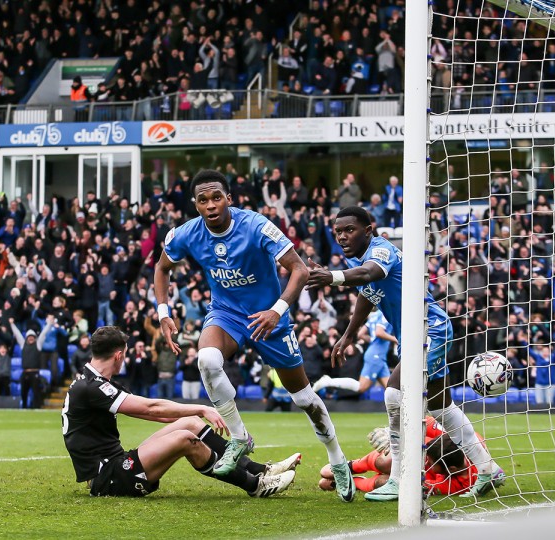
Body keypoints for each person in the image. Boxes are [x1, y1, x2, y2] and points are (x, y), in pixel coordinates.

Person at [154, 169, 356, 502]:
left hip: (270, 318)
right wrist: (163, 313)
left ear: (228, 199)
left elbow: (300, 269)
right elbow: (162, 268)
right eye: (203, 200)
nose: (210, 205)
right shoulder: (185, 234)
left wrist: (277, 310)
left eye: (216, 197)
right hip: (226, 315)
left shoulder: (256, 225)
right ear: (195, 204)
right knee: (206, 358)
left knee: (304, 399)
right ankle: (239, 437)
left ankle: (337, 459)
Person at [307, 206, 502, 500]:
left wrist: (333, 277)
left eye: (350, 230)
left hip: (430, 331)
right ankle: (488, 468)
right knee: (441, 408)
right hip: (415, 333)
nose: (343, 236)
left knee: (393, 394)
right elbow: (366, 293)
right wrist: (348, 335)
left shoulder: (380, 250)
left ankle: (398, 477)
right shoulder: (356, 258)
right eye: (338, 232)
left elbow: (369, 274)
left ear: (368, 230)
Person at [62, 326, 300, 498]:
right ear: (119, 354)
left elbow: (155, 413)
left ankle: (260, 469)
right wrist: (202, 407)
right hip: (109, 477)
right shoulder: (93, 386)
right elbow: (151, 409)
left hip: (117, 463)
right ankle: (255, 485)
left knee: (191, 424)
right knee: (186, 440)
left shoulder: (93, 381)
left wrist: (195, 414)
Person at [318, 417, 485, 496]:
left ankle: (351, 482)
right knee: (387, 461)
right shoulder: (467, 437)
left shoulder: (463, 483)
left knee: (390, 483)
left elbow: (420, 486)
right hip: (416, 448)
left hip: (422, 474)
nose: (427, 461)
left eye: (432, 462)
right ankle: (350, 466)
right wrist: (392, 434)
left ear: (452, 469)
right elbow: (422, 421)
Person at [312, 309, 394, 396]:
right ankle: (329, 381)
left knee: (392, 389)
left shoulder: (376, 315)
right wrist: (396, 340)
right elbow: (379, 332)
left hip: (376, 354)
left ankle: (399, 409)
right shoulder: (385, 313)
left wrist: (373, 341)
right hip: (376, 355)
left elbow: (360, 334)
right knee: (361, 387)